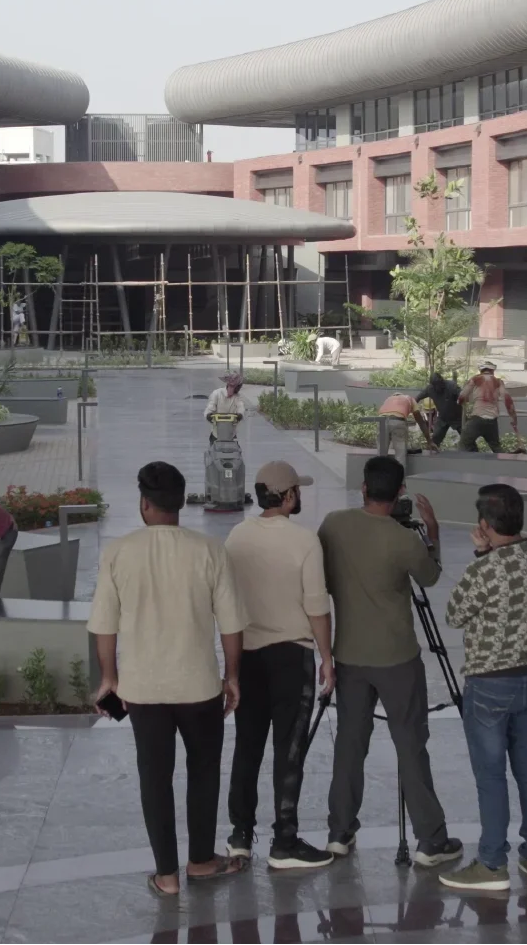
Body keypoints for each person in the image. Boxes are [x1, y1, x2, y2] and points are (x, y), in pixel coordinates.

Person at [89, 461, 249, 896]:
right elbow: (231, 625)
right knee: (204, 772)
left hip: (142, 691)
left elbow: (104, 626)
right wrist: (232, 676)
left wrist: (109, 679)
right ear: (180, 503)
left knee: (154, 778)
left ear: (144, 503)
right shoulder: (210, 550)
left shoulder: (119, 553)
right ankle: (201, 861)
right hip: (200, 686)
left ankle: (166, 875)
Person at [318, 455, 463, 868]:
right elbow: (430, 576)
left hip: (349, 655)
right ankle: (430, 840)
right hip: (398, 658)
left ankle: (339, 832)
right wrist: (432, 534)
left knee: (350, 743)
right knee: (410, 745)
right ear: (400, 492)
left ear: (363, 488)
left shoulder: (333, 525)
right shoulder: (404, 541)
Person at [439, 484, 527, 892]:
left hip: (489, 685)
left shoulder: (484, 570)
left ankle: (491, 864)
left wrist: (481, 556)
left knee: (491, 776)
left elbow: (454, 614)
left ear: (484, 526)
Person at [223, 461, 335, 870]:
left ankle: (240, 836)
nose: (299, 496)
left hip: (248, 656)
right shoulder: (304, 541)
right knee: (289, 752)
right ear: (287, 496)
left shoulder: (237, 536)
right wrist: (327, 659)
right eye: (297, 491)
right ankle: (284, 841)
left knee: (247, 747)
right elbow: (317, 606)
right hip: (291, 656)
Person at [458, 363, 519, 453]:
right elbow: (507, 400)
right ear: (492, 371)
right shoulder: (499, 382)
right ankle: (504, 458)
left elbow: (462, 396)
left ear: (481, 371)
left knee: (464, 443)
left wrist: (460, 402)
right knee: (496, 446)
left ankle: (472, 458)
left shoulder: (475, 379)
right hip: (492, 421)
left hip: (477, 418)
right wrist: (513, 417)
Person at [377, 392, 435, 466]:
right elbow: (421, 422)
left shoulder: (388, 399)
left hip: (381, 422)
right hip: (398, 421)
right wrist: (429, 441)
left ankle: (378, 472)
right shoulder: (410, 399)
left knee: (381, 455)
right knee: (400, 455)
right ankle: (399, 473)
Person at [417, 372, 462, 446]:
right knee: (435, 437)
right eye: (435, 385)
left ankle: (472, 452)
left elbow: (462, 395)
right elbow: (417, 398)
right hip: (443, 418)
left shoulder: (451, 386)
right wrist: (411, 404)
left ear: (442, 381)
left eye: (439, 384)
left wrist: (461, 397)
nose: (437, 387)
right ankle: (433, 451)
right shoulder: (430, 389)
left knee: (467, 438)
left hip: (457, 417)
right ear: (432, 385)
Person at [205, 373, 246, 440]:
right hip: (216, 432)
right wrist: (208, 414)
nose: (233, 389)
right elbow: (210, 406)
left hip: (231, 432)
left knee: (234, 446)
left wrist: (240, 414)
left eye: (236, 387)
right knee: (214, 444)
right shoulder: (217, 393)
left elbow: (241, 407)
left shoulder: (238, 397)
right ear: (228, 385)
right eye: (231, 386)